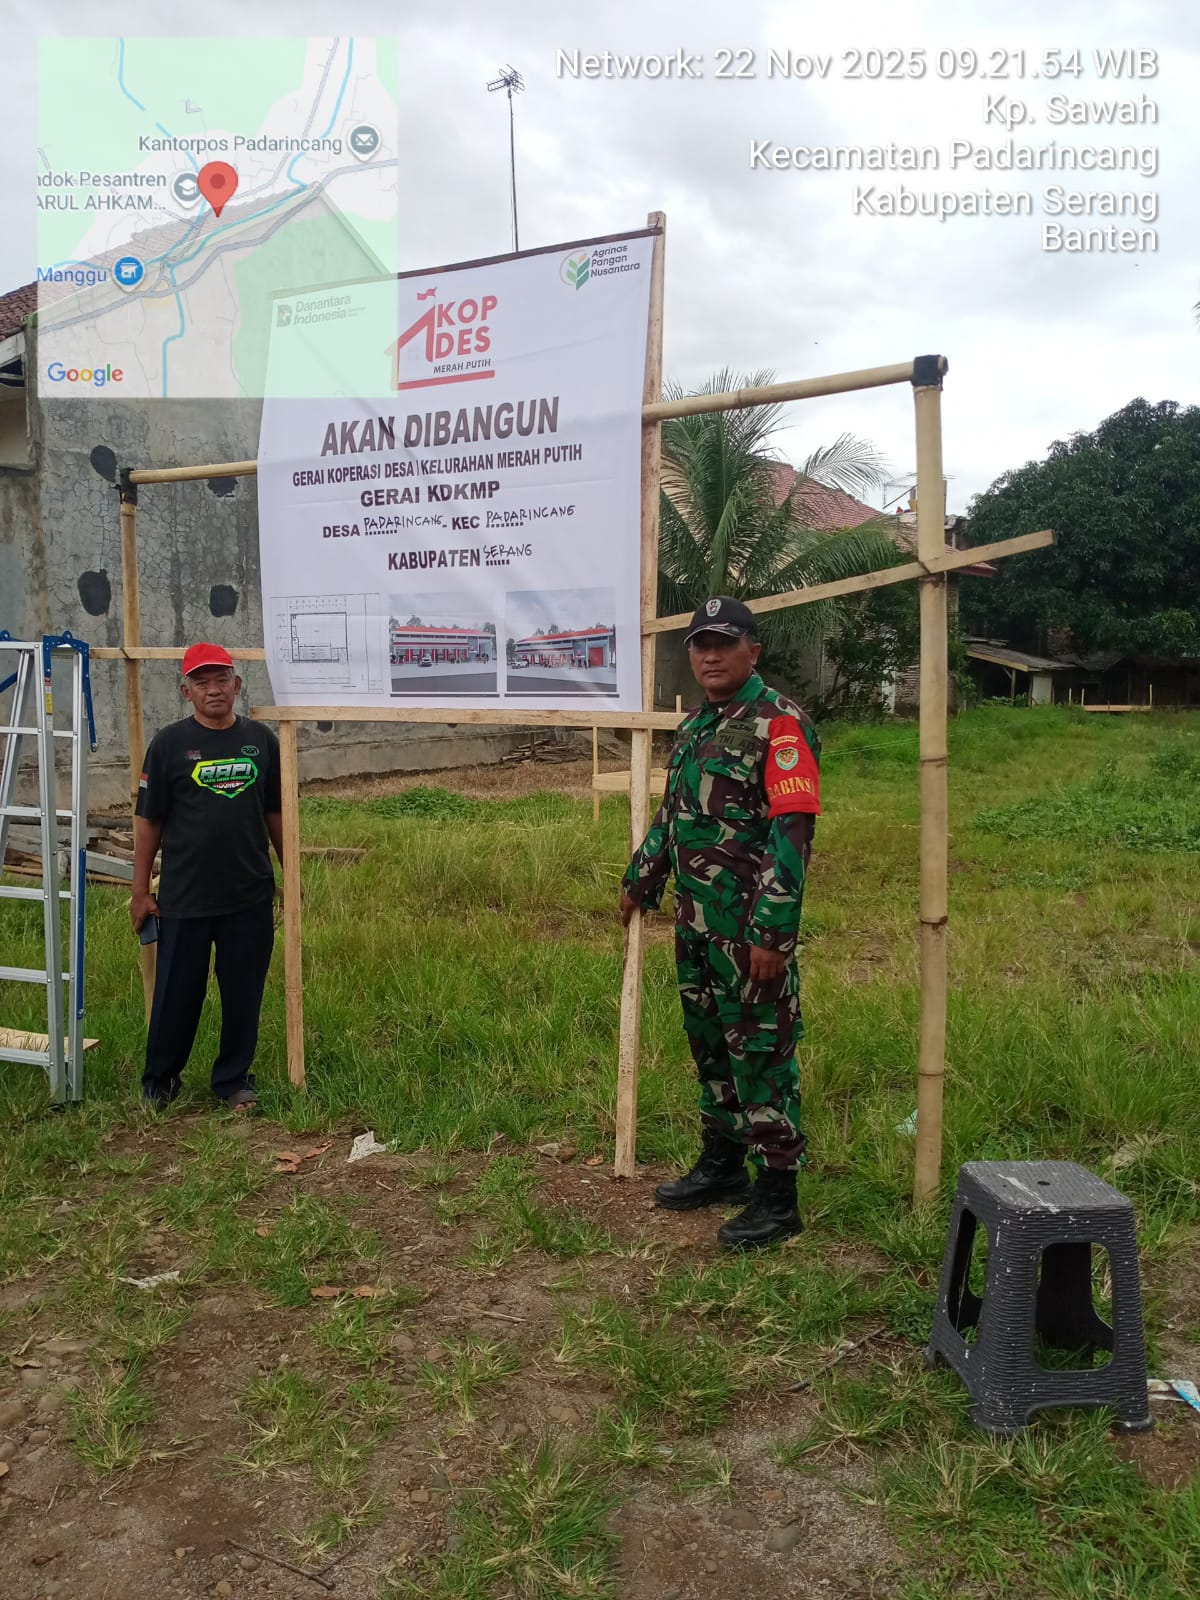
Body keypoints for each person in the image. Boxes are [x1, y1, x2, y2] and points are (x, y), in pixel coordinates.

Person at [620, 597, 820, 1249]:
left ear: (752, 651)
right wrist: (641, 878)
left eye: (723, 643)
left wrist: (773, 934)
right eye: (699, 644)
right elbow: (672, 820)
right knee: (710, 1047)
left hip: (748, 935)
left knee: (759, 1053)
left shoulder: (779, 725)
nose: (708, 654)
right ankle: (724, 1166)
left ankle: (778, 1195)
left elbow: (792, 835)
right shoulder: (696, 729)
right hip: (695, 927)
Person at [130, 643, 284, 1112]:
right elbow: (148, 820)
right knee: (176, 994)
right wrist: (139, 891)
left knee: (243, 994)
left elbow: (275, 811)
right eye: (201, 682)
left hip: (249, 894)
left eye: (222, 680)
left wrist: (289, 873)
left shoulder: (261, 740)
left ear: (237, 685)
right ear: (186, 691)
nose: (213, 689)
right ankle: (160, 1081)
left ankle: (233, 1080)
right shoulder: (169, 745)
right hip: (185, 897)